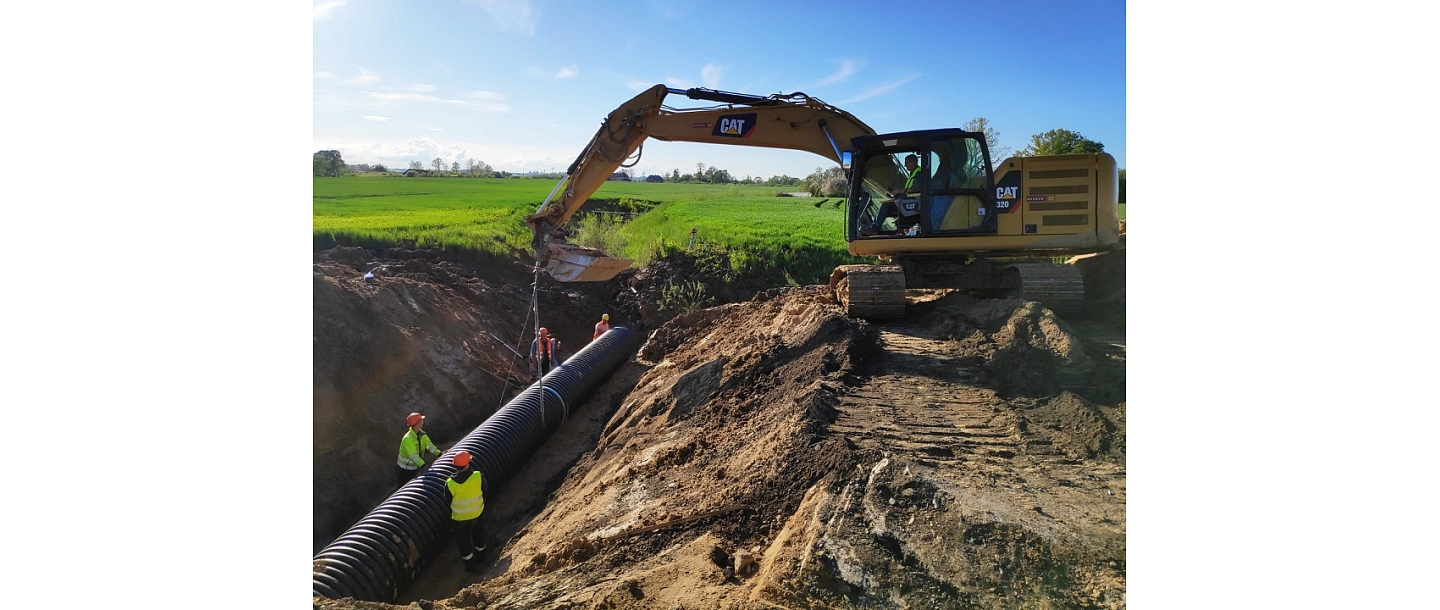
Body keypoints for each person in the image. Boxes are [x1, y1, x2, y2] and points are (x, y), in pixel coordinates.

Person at [445, 450, 487, 573]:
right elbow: (485, 490)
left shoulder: (450, 483)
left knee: (463, 541)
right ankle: (482, 557)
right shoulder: (477, 476)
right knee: (478, 534)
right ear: (467, 464)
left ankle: (470, 567)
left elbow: (447, 502)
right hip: (476, 514)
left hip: (459, 519)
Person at [861, 154, 922, 236]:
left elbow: (915, 189)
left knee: (886, 205)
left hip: (913, 203)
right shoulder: (914, 173)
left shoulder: (918, 173)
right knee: (888, 204)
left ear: (912, 162)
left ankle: (875, 228)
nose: (905, 165)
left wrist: (899, 191)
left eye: (906, 163)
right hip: (909, 201)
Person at [396, 412, 441, 487]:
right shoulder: (408, 439)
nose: (422, 422)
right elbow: (413, 456)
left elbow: (430, 446)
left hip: (414, 468)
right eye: (421, 421)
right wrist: (423, 465)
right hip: (404, 470)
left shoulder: (422, 435)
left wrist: (439, 454)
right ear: (417, 424)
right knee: (403, 488)